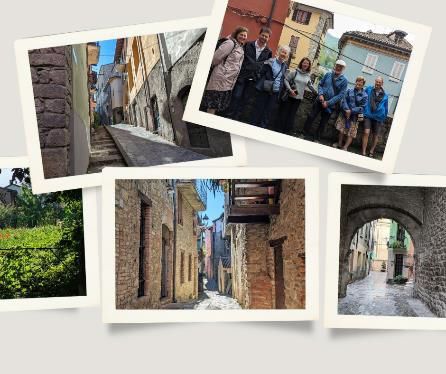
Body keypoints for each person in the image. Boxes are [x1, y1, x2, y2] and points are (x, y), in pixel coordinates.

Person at [225, 27, 273, 120]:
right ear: (259, 35)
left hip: (254, 80)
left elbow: (265, 65)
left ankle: (236, 118)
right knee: (236, 96)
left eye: (266, 37)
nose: (264, 38)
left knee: (245, 100)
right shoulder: (248, 44)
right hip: (242, 76)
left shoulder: (268, 51)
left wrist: (258, 75)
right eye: (263, 35)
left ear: (269, 38)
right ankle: (229, 115)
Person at [201, 26, 248, 114]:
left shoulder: (240, 47)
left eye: (245, 36)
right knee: (212, 104)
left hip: (228, 82)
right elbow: (216, 58)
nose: (243, 37)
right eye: (241, 34)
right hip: (221, 78)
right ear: (236, 34)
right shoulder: (230, 43)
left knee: (216, 105)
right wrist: (223, 72)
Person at [301, 60, 348, 142]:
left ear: (343, 69)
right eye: (337, 66)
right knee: (311, 116)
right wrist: (321, 94)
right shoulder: (328, 74)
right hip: (319, 100)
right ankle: (304, 133)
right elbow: (320, 84)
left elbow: (341, 95)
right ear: (335, 66)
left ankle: (317, 138)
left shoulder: (344, 81)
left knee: (323, 122)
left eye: (340, 67)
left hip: (330, 105)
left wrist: (328, 103)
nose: (338, 68)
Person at [250, 45, 290, 129]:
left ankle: (262, 127)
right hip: (265, 89)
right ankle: (253, 126)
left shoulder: (285, 67)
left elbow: (283, 79)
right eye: (282, 51)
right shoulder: (271, 61)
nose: (283, 54)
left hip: (275, 92)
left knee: (268, 112)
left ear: (287, 55)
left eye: (285, 53)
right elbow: (261, 72)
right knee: (258, 108)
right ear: (279, 52)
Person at [276, 57, 316, 134]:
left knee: (292, 115)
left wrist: (317, 93)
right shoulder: (295, 72)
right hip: (290, 96)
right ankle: (279, 130)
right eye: (304, 63)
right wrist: (290, 90)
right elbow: (286, 80)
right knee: (284, 113)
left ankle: (286, 131)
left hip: (298, 98)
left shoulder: (308, 76)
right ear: (301, 63)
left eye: (307, 63)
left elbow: (310, 86)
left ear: (309, 65)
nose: (305, 64)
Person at [333, 76, 368, 151]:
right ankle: (339, 144)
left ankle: (345, 147)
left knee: (351, 133)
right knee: (341, 130)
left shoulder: (365, 95)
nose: (359, 83)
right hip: (345, 114)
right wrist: (347, 110)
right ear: (356, 82)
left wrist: (351, 111)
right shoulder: (349, 90)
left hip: (354, 117)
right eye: (358, 81)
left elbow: (362, 107)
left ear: (363, 84)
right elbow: (344, 100)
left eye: (361, 82)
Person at [362, 76, 388, 157]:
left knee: (375, 135)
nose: (377, 83)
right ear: (375, 82)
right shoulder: (369, 89)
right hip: (368, 114)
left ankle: (371, 151)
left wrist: (384, 116)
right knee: (366, 132)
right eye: (376, 81)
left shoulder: (385, 95)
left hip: (378, 117)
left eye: (379, 82)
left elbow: (386, 107)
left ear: (382, 84)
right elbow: (363, 97)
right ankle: (363, 151)